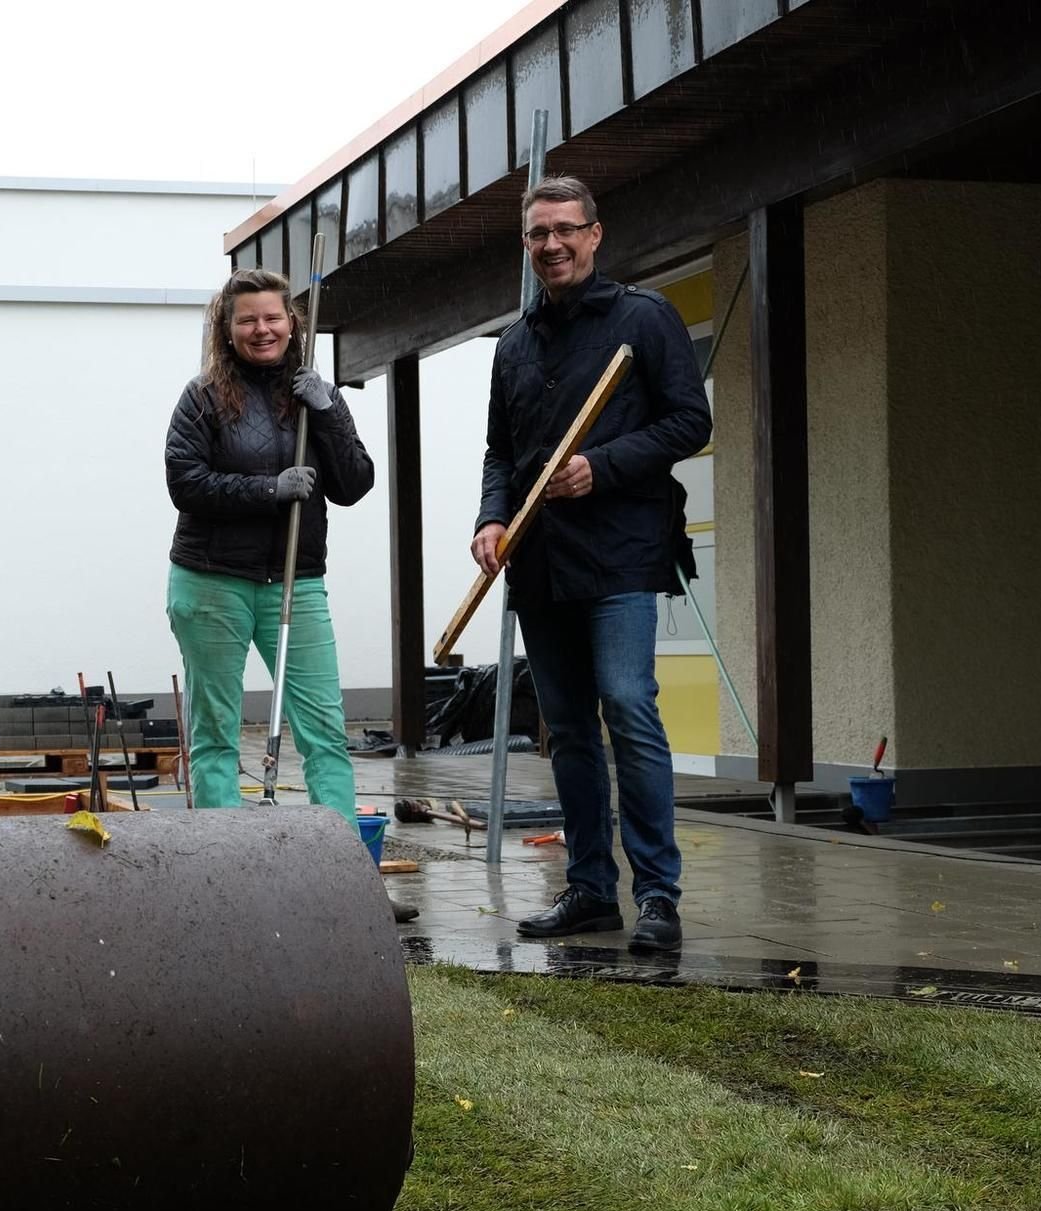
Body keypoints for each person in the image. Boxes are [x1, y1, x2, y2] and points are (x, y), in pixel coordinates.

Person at [471, 176, 712, 952]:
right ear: (527, 243)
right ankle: (589, 889)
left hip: (623, 554)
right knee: (569, 730)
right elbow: (500, 452)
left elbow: (689, 420)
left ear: (596, 234)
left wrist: (601, 467)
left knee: (628, 708)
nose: (553, 245)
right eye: (539, 233)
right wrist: (492, 517)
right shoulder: (513, 342)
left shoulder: (645, 319)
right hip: (539, 562)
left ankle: (659, 895)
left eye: (566, 230)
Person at [165, 269, 414, 921]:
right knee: (215, 729)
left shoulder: (313, 399)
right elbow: (185, 482)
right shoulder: (202, 398)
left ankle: (344, 881)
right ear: (227, 328)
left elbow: (355, 482)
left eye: (272, 317)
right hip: (212, 580)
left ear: (293, 323)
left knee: (325, 729)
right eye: (247, 319)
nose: (262, 329)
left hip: (295, 583)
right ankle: (226, 880)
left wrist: (328, 412)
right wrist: (267, 489)